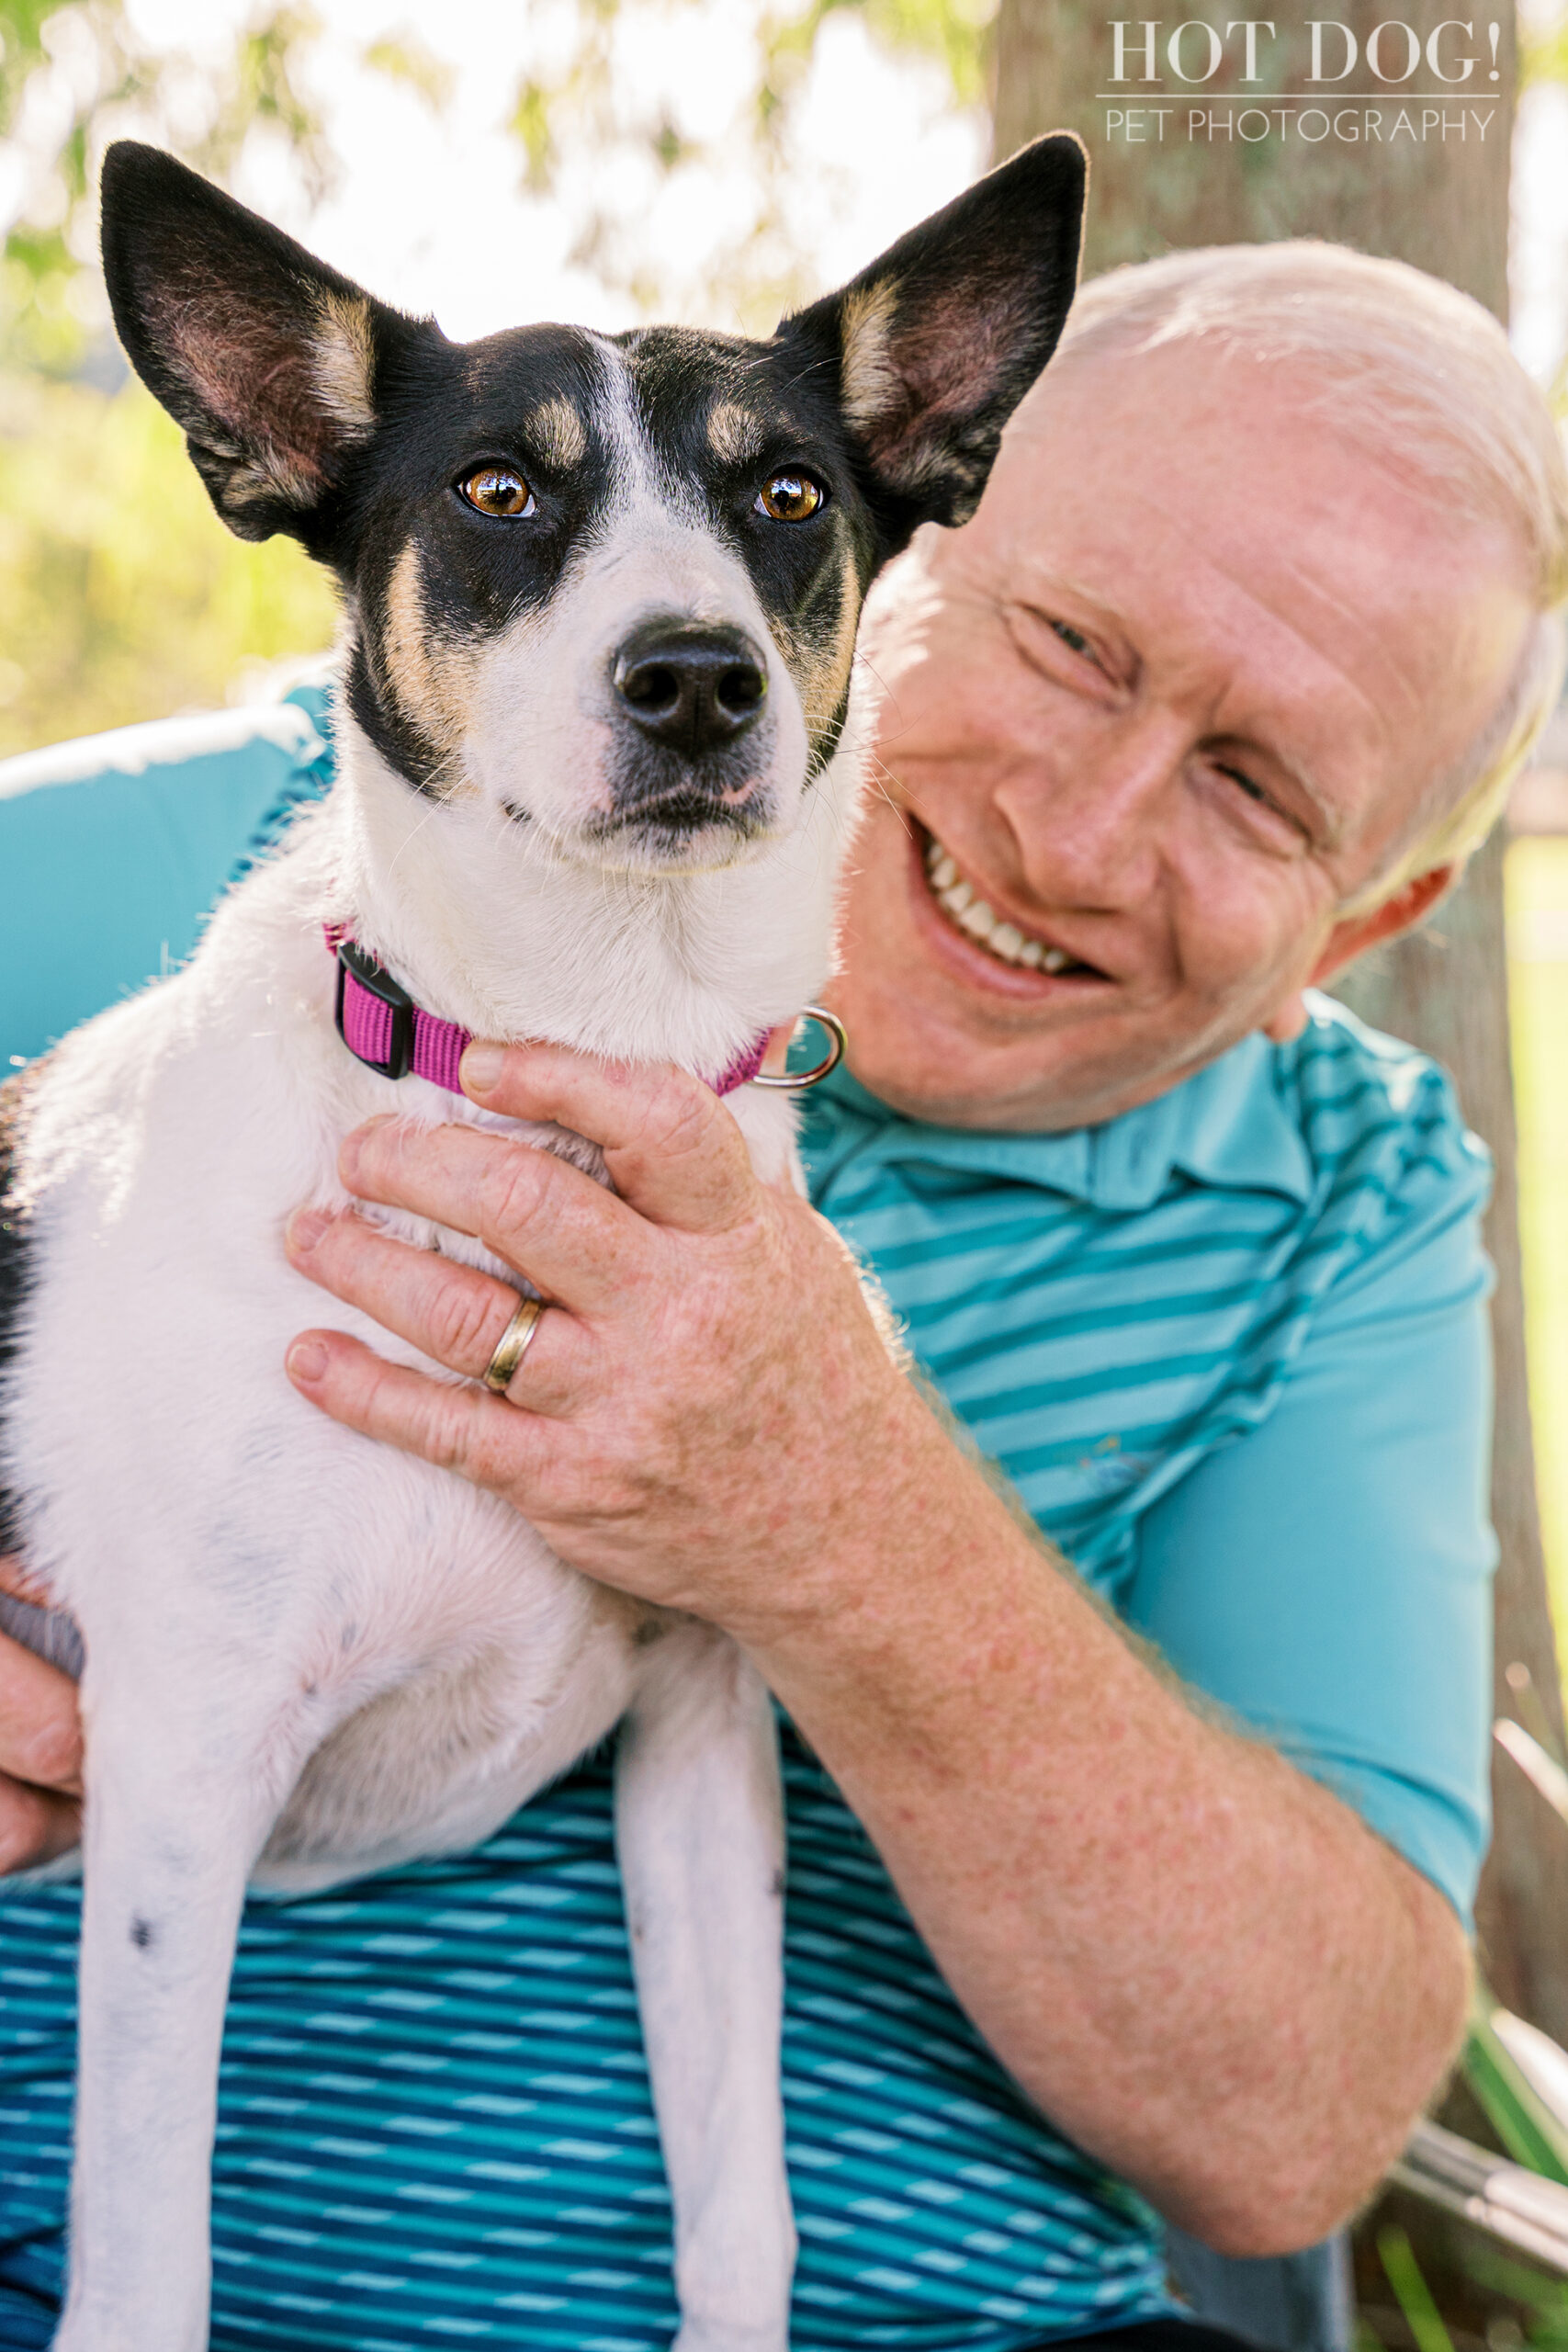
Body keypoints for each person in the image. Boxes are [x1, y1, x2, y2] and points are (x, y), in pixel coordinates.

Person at [0, 237, 1564, 2352]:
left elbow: (1295, 2120)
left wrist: (825, 1505)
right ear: (934, 581)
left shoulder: (1349, 1203)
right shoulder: (190, 877)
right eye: (1076, 644)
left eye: (1251, 782)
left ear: (1374, 906)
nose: (1072, 831)